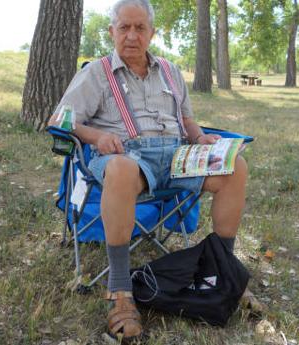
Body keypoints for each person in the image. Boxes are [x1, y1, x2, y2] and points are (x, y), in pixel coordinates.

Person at [49, 0, 263, 341]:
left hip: (177, 156)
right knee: (120, 169)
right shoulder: (95, 73)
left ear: (152, 33)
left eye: (140, 28)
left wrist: (199, 137)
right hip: (125, 158)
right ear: (112, 31)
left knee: (235, 166)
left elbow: (187, 119)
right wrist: (97, 136)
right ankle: (120, 292)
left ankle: (224, 272)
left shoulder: (170, 71)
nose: (131, 36)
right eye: (124, 27)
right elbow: (60, 120)